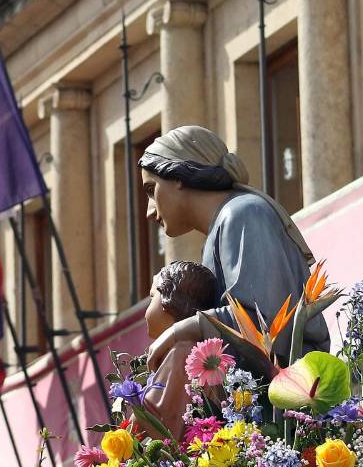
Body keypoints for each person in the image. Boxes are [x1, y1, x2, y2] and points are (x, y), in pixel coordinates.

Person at [139, 125, 328, 374]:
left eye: (152, 190)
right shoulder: (222, 227)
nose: (149, 211)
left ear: (178, 176)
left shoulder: (243, 213)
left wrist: (181, 330)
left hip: (293, 390)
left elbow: (263, 322)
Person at [139, 261, 217, 439]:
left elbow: (160, 421)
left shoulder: (183, 351)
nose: (146, 311)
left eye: (152, 297)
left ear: (169, 299)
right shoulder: (188, 350)